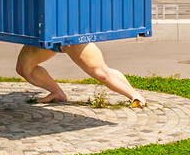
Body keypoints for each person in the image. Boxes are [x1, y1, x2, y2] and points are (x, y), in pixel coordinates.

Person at [15, 42, 145, 107]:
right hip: (45, 32)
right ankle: (57, 93)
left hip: (72, 34)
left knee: (101, 72)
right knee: (24, 68)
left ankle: (135, 96)